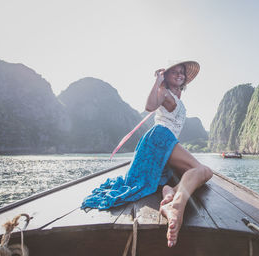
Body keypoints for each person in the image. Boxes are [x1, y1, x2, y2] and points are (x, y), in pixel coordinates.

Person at [81, 61, 213, 248]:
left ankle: (172, 192)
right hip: (159, 139)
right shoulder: (164, 92)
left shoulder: (177, 95)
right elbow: (150, 106)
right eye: (174, 72)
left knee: (204, 172)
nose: (179, 74)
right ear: (166, 76)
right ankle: (176, 205)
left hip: (167, 142)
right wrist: (158, 82)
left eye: (181, 72)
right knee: (202, 171)